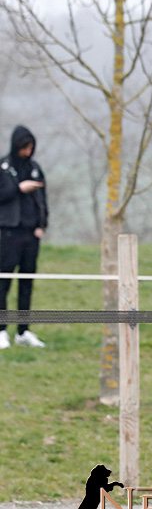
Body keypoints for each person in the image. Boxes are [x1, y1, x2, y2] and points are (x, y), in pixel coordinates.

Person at [0, 125, 48, 349]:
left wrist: (42, 224)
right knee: (3, 282)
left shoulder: (35, 168)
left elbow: (43, 199)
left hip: (31, 235)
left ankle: (23, 330)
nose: (27, 152)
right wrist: (19, 188)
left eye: (30, 148)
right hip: (8, 234)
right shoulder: (4, 168)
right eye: (24, 148)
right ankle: (1, 331)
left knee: (26, 283)